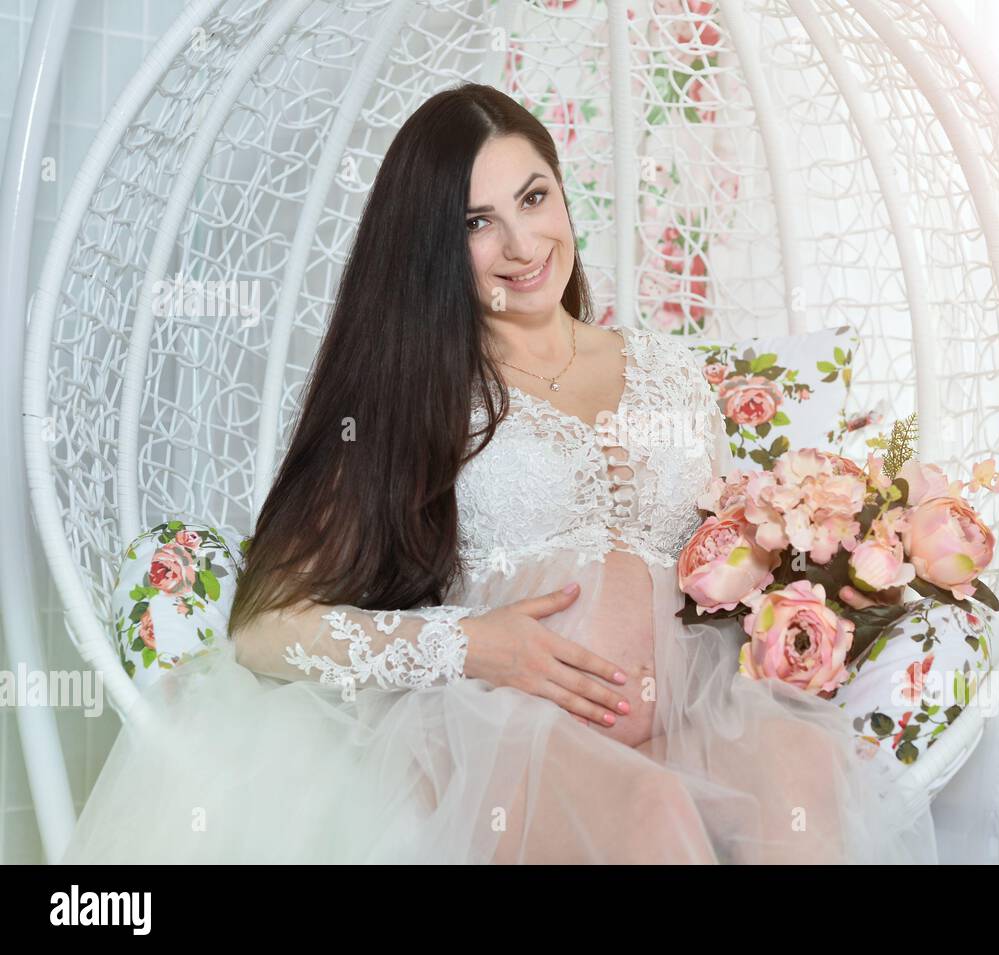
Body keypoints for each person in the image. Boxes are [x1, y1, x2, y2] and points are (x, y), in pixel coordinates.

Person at [58, 82, 938, 864]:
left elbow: (722, 560)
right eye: (478, 223)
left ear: (562, 192)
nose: (522, 245)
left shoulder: (672, 370)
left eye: (534, 197)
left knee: (806, 761)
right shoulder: (418, 393)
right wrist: (474, 644)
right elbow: (264, 628)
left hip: (694, 707)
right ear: (434, 249)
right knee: (651, 813)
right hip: (508, 733)